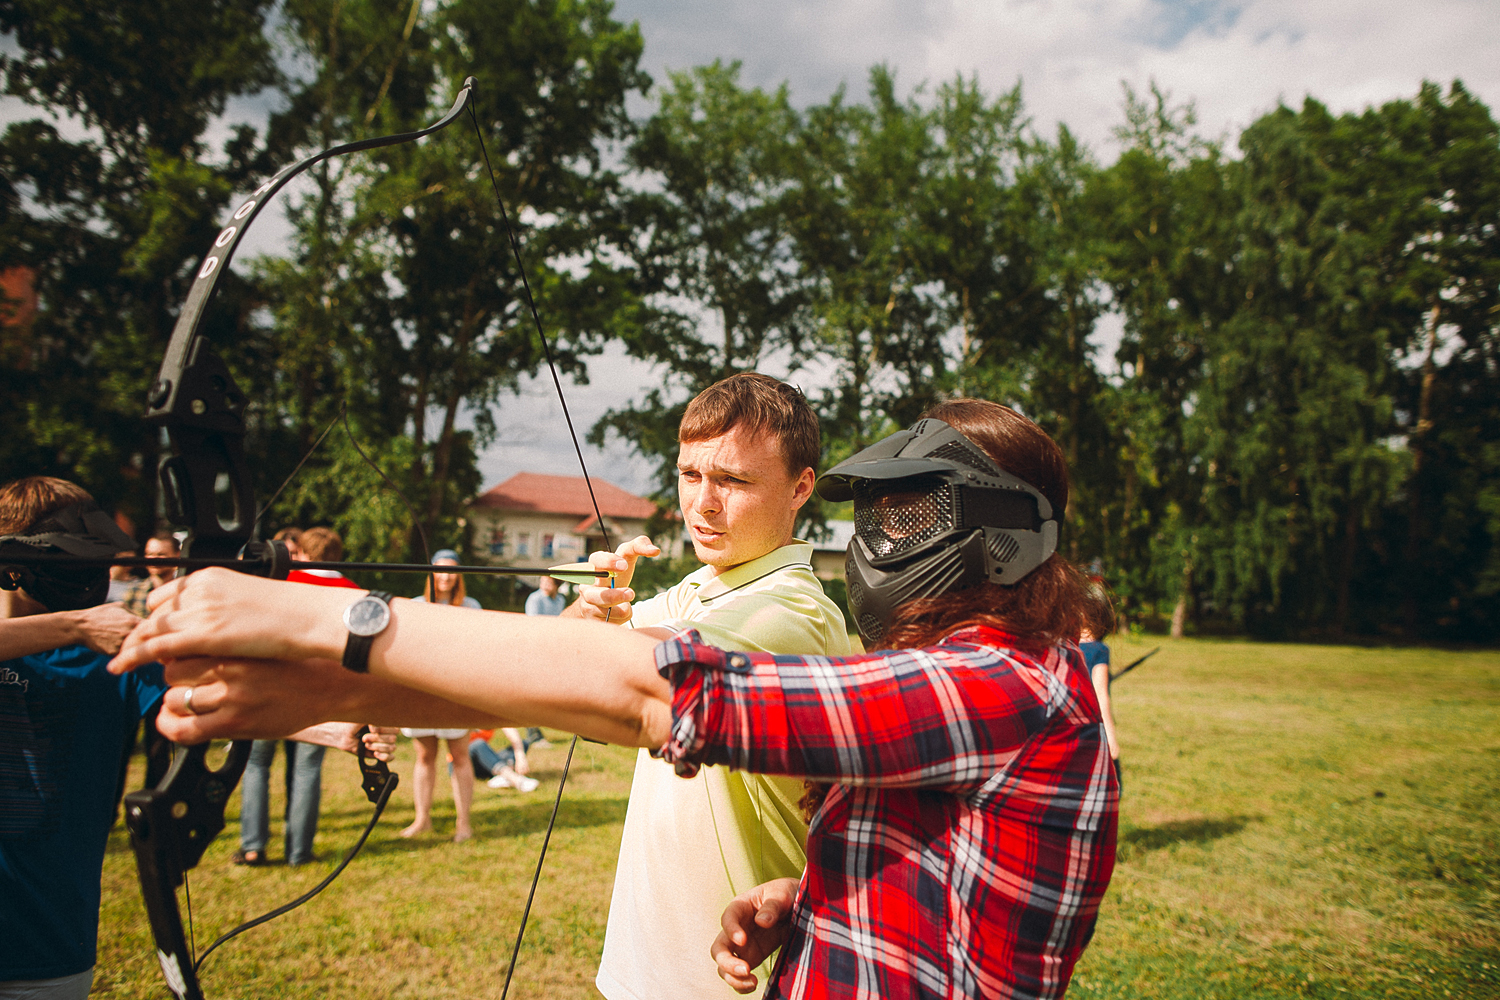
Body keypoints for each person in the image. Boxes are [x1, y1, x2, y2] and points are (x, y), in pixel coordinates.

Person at [113, 398, 1118, 1000]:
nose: (879, 539)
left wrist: (313, 626)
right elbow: (945, 875)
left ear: (997, 533)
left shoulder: (1009, 683)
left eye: (909, 512)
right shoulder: (986, 681)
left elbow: (654, 693)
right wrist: (814, 905)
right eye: (878, 511)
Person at [0, 477, 392, 1000]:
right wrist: (74, 625)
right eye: (75, 563)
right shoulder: (79, 632)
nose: (93, 577)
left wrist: (335, 728)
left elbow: (213, 699)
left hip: (51, 942)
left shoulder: (106, 656)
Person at [563, 373, 851, 1000]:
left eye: (734, 480)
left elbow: (596, 678)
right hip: (647, 963)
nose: (702, 504)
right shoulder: (701, 588)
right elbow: (575, 691)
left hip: (735, 975)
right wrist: (585, 615)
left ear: (802, 487)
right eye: (690, 474)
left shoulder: (790, 614)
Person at [236, 526, 360, 866]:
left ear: (302, 553)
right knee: (307, 771)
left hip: (271, 686)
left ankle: (253, 845)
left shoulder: (283, 585)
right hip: (320, 693)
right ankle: (299, 850)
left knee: (257, 764)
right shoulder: (353, 592)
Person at [400, 549, 478, 841]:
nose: (445, 576)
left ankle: (464, 823)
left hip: (456, 691)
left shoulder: (471, 606)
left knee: (459, 756)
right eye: (439, 570)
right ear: (431, 572)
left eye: (451, 570)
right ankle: (422, 819)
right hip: (423, 690)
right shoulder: (416, 606)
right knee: (424, 756)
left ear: (459, 575)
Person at [121, 531, 178, 617]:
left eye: (161, 554)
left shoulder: (183, 591)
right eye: (150, 554)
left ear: (177, 556)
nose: (154, 559)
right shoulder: (134, 590)